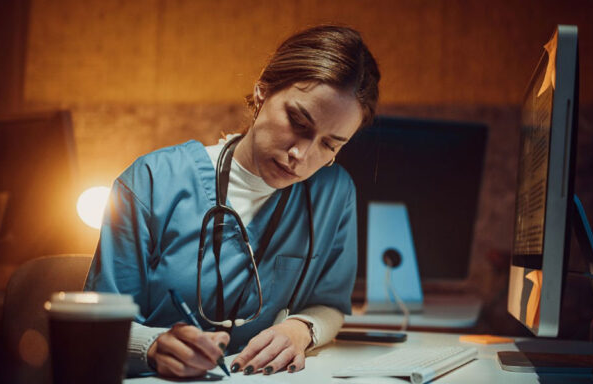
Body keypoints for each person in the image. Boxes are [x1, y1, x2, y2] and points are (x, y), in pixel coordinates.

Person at [83, 25, 380, 378]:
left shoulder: (334, 193)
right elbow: (95, 324)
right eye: (298, 122)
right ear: (262, 91)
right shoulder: (151, 181)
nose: (301, 155)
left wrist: (301, 330)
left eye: (330, 145)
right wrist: (151, 345)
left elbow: (329, 304)